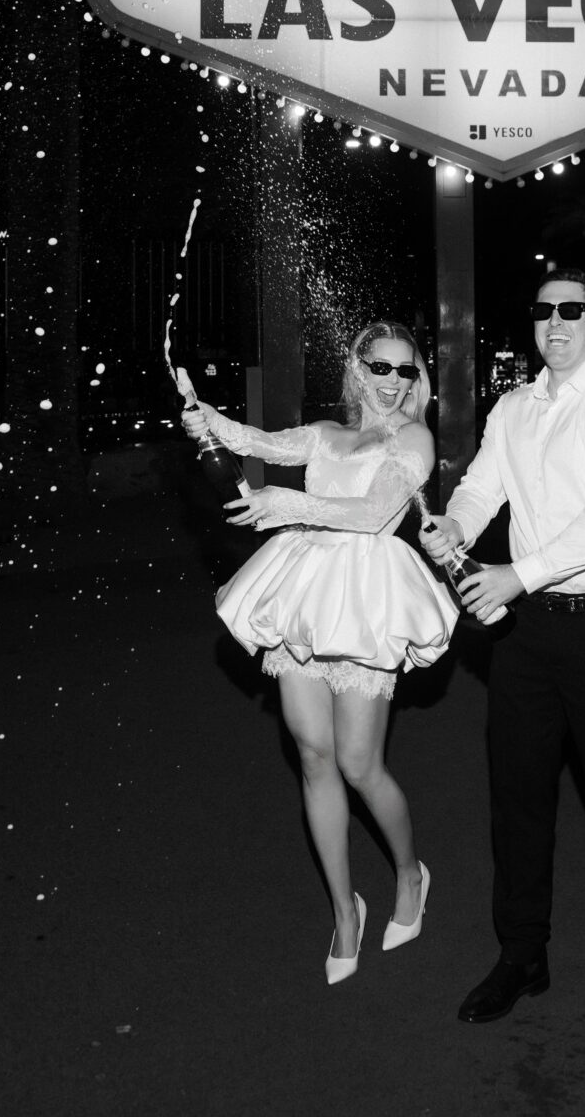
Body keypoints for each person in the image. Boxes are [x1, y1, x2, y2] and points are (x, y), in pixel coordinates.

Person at [420, 269, 585, 1031]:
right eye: (543, 311)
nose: (555, 322)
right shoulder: (513, 408)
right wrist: (457, 526)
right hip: (525, 636)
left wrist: (514, 574)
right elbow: (481, 487)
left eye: (572, 310)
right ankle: (521, 955)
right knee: (518, 798)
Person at [183, 320, 458, 985]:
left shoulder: (413, 439)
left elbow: (371, 514)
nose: (394, 381)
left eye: (406, 370)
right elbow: (258, 441)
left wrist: (283, 502)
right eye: (381, 366)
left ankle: (409, 875)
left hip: (364, 601)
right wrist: (204, 418)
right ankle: (343, 911)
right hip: (305, 593)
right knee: (312, 755)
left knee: (359, 763)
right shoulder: (325, 433)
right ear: (357, 368)